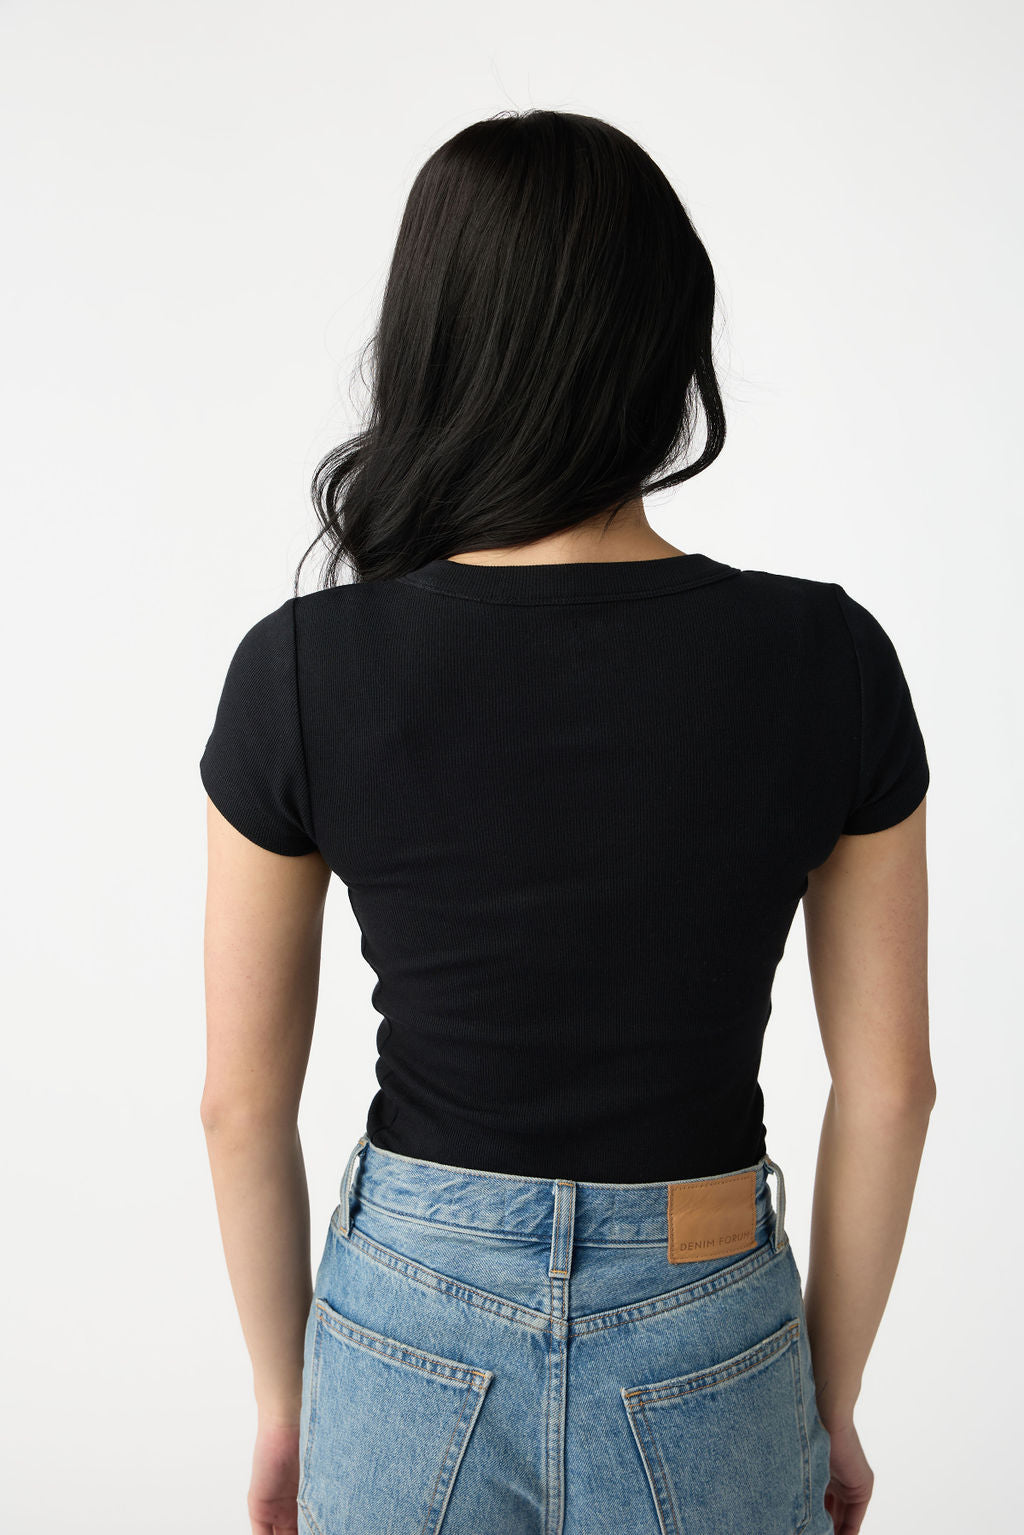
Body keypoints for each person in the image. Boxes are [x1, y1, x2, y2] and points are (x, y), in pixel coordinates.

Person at [199, 109, 934, 1535]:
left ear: (432, 341)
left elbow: (238, 1104)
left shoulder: (302, 666)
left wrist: (294, 1400)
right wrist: (817, 1398)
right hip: (710, 1306)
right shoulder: (828, 658)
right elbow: (893, 1087)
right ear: (667, 339)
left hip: (403, 1319)